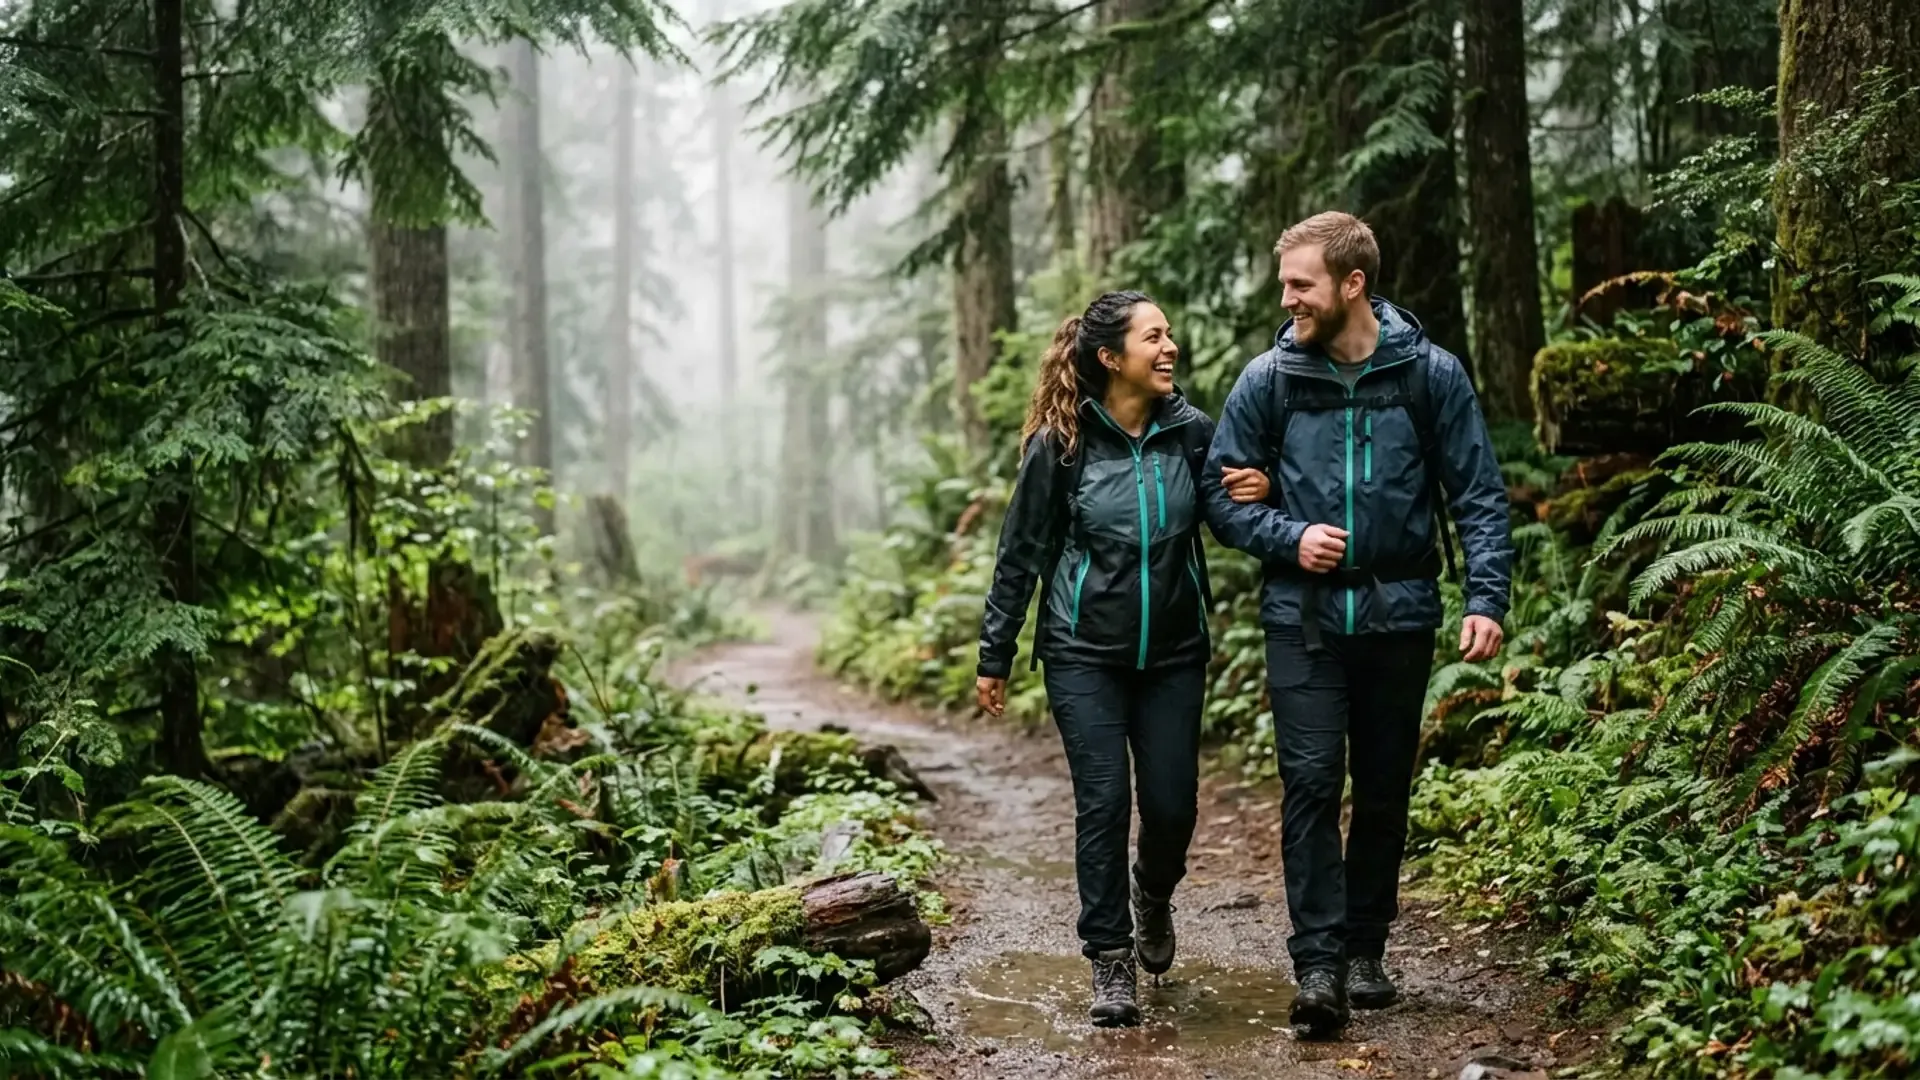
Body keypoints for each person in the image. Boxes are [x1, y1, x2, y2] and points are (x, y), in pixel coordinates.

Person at [1201, 213, 1514, 1038]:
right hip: (1300, 620)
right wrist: (1288, 536)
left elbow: (1477, 495)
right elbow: (1218, 500)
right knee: (1309, 783)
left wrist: (1487, 600)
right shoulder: (1267, 380)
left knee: (1382, 790)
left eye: (1300, 284)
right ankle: (1317, 966)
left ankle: (1367, 946)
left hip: (1400, 614)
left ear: (1352, 285)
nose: (1287, 299)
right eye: (1284, 284)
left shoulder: (1430, 376)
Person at [974, 291, 1270, 1027]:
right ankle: (1110, 960)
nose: (1169, 348)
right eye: (1153, 337)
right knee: (1103, 804)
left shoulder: (1193, 433)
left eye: (1170, 334)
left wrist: (1264, 488)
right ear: (1111, 358)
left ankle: (1152, 893)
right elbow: (1021, 553)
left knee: (1172, 806)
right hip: (1083, 651)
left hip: (1173, 651)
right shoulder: (1062, 444)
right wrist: (996, 652)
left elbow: (1232, 521)